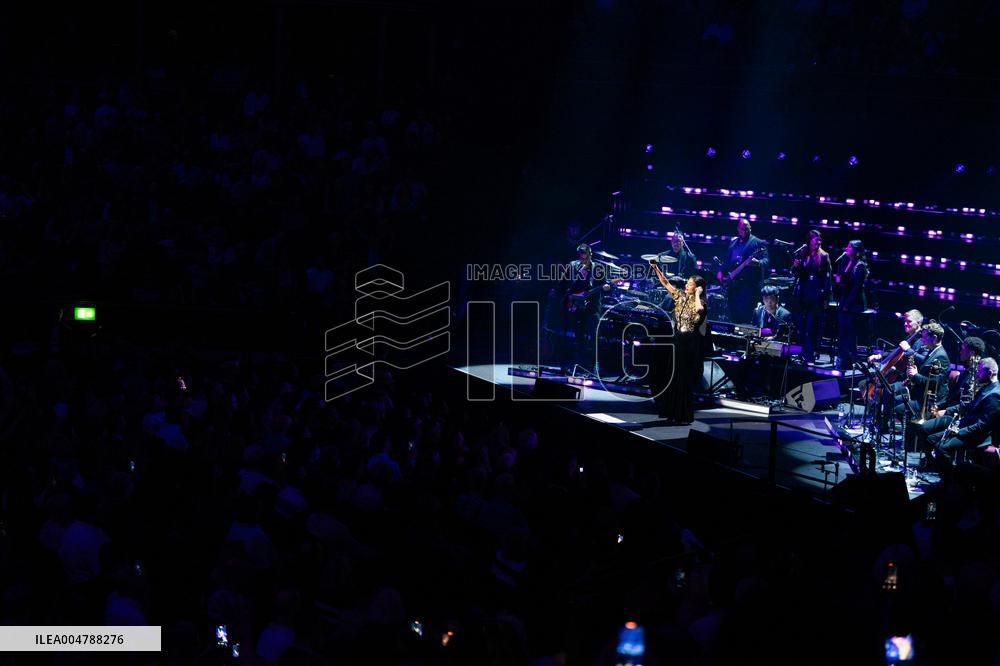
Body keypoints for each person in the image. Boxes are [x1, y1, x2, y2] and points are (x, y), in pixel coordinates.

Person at [650, 260, 708, 425]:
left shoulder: (701, 302)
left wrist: (697, 294)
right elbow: (665, 283)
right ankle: (671, 412)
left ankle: (683, 415)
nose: (687, 285)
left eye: (690, 284)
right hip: (677, 341)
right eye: (688, 283)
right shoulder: (680, 297)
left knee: (683, 379)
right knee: (673, 377)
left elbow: (699, 311)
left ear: (697, 287)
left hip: (689, 345)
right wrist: (656, 268)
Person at [913, 336, 986, 463]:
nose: (960, 352)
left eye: (963, 349)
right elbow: (955, 396)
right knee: (923, 427)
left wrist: (946, 411)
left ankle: (935, 463)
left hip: (961, 417)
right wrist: (940, 408)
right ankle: (933, 461)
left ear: (972, 353)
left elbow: (970, 403)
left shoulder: (978, 375)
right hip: (953, 411)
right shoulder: (966, 372)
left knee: (924, 429)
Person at [927, 357, 1000, 468]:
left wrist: (959, 431)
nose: (977, 374)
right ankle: (941, 473)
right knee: (931, 439)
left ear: (989, 373)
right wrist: (947, 411)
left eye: (979, 371)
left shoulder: (995, 395)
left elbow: (982, 426)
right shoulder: (987, 387)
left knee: (941, 447)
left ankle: (952, 479)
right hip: (967, 428)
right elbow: (969, 406)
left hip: (977, 436)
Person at [563, 243, 612, 373]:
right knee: (578, 337)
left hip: (592, 307)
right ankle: (580, 364)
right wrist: (569, 297)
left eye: (586, 258)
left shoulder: (598, 268)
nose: (584, 261)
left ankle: (595, 364)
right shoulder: (573, 266)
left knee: (594, 335)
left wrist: (607, 288)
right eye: (581, 258)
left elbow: (605, 287)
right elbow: (563, 284)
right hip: (577, 306)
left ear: (591, 255)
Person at [791, 230, 832, 364]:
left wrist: (826, 297)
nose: (818, 242)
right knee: (801, 326)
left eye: (820, 240)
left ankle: (810, 355)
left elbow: (827, 278)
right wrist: (796, 267)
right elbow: (798, 274)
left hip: (815, 297)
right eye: (816, 240)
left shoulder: (824, 256)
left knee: (811, 327)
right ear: (810, 241)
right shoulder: (803, 253)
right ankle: (801, 353)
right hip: (802, 296)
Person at [716, 219, 768, 324]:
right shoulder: (733, 243)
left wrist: (757, 262)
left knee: (744, 316)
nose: (744, 230)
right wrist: (721, 271)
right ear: (738, 229)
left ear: (750, 228)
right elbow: (727, 261)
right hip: (733, 285)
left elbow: (766, 261)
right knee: (732, 315)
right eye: (742, 228)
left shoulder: (758, 243)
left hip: (748, 286)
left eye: (746, 227)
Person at [896, 321, 950, 418]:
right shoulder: (932, 351)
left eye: (924, 337)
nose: (922, 340)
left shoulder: (941, 356)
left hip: (930, 401)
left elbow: (935, 383)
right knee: (895, 401)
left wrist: (916, 375)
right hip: (921, 395)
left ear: (934, 338)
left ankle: (912, 431)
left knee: (898, 410)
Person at [834, 240, 869, 370]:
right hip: (844, 301)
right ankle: (843, 358)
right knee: (842, 331)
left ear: (857, 250)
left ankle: (853, 359)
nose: (847, 248)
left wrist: (847, 305)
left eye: (850, 247)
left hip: (853, 304)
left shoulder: (860, 265)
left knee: (850, 332)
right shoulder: (845, 261)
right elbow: (843, 280)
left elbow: (856, 288)